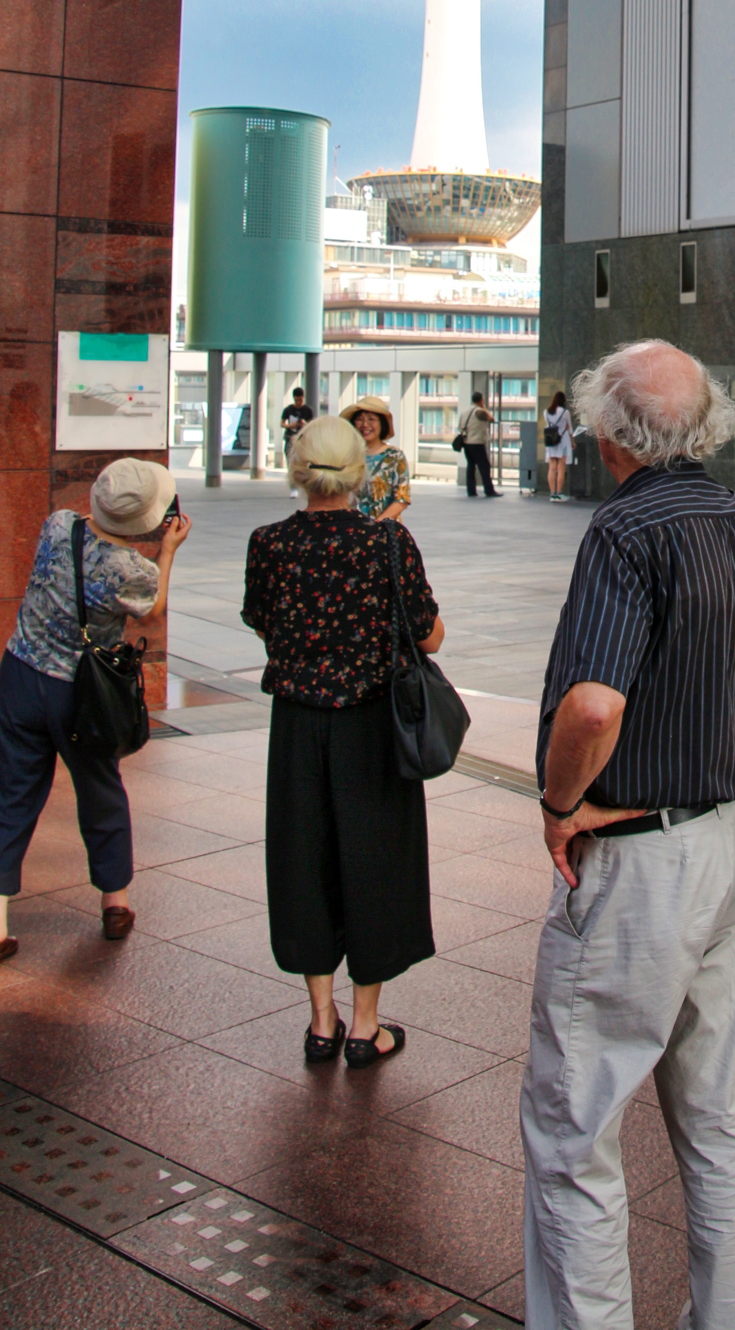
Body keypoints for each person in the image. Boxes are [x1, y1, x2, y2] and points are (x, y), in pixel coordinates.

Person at [522, 339, 735, 1330]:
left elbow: (592, 707)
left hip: (642, 855)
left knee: (575, 1121)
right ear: (705, 422)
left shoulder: (622, 530)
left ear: (606, 431)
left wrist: (559, 804)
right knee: (718, 1108)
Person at [242, 415, 443, 1066]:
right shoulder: (387, 544)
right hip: (370, 723)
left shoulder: (268, 543)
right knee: (375, 860)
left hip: (298, 723)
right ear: (359, 471)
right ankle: (365, 1026)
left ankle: (319, 1020)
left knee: (304, 858)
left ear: (299, 470)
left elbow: (261, 620)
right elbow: (429, 635)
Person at [0, 459, 190, 961]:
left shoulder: (58, 523)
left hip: (20, 674)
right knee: (100, 790)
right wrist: (167, 551)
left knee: (13, 791)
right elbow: (152, 610)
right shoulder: (134, 571)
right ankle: (114, 902)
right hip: (81, 696)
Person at [340, 395, 410, 521]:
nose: (365, 425)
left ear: (382, 424)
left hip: (383, 530)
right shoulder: (346, 455)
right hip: (350, 530)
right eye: (359, 419)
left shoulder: (395, 456)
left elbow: (402, 499)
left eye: (371, 419)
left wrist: (375, 527)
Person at [460, 390, 499, 498]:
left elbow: (460, 427)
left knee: (471, 466)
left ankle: (471, 491)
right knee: (484, 466)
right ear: (481, 400)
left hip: (466, 442)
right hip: (477, 443)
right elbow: (492, 418)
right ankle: (489, 490)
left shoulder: (465, 412)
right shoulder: (480, 411)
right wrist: (484, 407)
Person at [543, 389, 573, 502]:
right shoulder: (565, 412)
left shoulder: (546, 412)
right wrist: (573, 441)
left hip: (551, 441)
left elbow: (548, 425)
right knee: (561, 468)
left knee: (551, 468)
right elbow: (569, 428)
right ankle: (559, 494)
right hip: (563, 441)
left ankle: (552, 494)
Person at [280, 386, 314, 458]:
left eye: (300, 400)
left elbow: (312, 425)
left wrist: (304, 423)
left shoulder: (308, 410)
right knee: (289, 456)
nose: (299, 402)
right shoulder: (288, 409)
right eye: (297, 400)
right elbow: (282, 423)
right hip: (290, 437)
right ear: (294, 398)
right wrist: (290, 426)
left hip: (303, 439)